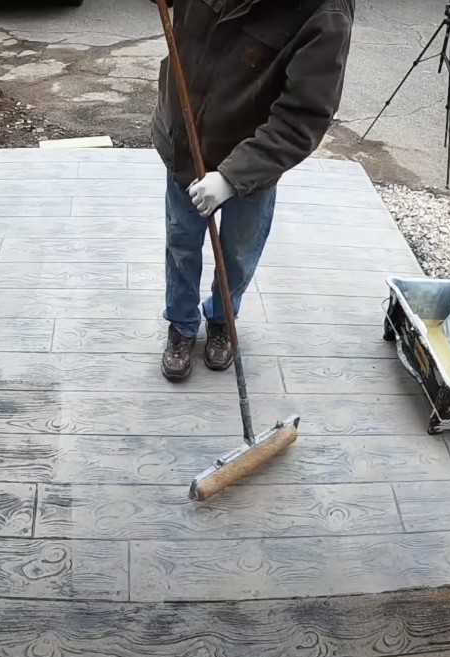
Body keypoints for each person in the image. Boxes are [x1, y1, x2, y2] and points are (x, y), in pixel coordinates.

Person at [153, 0, 354, 381]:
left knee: (238, 252)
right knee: (181, 241)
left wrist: (231, 177)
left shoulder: (324, 12)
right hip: (184, 137)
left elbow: (302, 117)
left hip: (252, 163)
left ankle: (222, 317)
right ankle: (181, 324)